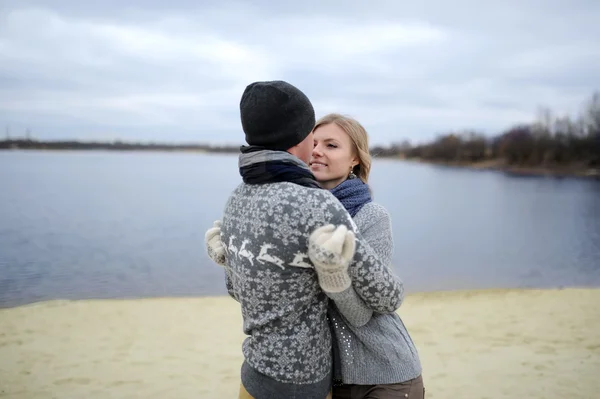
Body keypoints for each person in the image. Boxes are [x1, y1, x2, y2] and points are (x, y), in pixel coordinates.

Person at [204, 80, 406, 399]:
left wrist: (237, 263)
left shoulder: (237, 199)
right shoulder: (317, 204)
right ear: (300, 135)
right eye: (314, 137)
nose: (316, 149)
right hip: (304, 382)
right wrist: (232, 263)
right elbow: (388, 295)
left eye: (332, 145)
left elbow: (244, 295)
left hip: (258, 373)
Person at [310, 113, 424, 398]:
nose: (317, 151)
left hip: (385, 374)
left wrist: (333, 276)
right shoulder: (299, 214)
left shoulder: (370, 217)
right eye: (312, 143)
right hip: (327, 379)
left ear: (354, 160)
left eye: (331, 145)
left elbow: (362, 315)